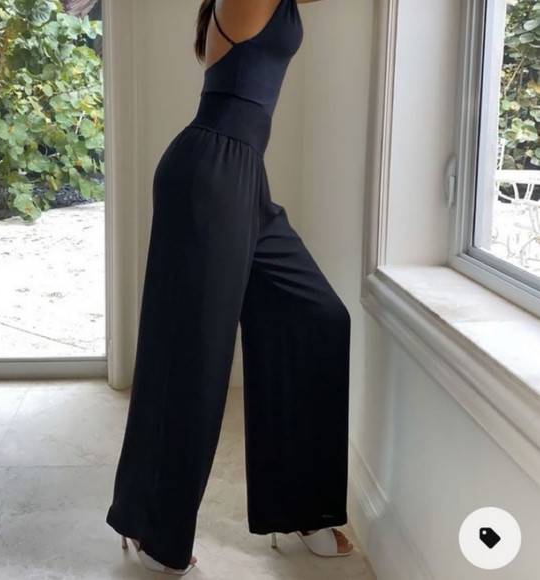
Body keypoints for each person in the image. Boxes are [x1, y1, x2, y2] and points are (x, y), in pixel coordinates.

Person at [106, 0, 353, 574]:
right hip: (210, 174)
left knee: (317, 317)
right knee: (189, 358)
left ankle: (300, 506)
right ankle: (150, 524)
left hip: (242, 177)